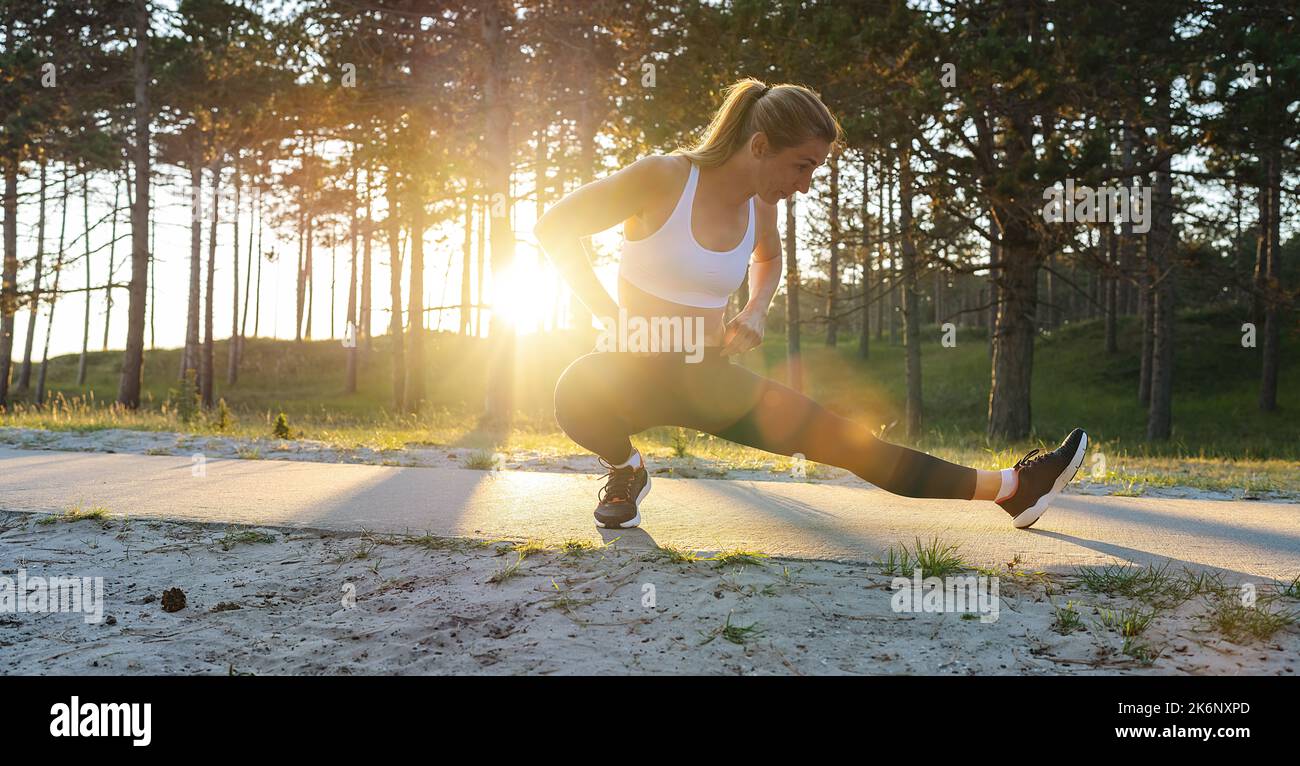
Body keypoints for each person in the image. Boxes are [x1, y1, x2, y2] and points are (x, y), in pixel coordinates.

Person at [535, 78, 1087, 531]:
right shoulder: (664, 177)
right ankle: (625, 468)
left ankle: (1013, 488)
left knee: (851, 444)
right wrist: (609, 315)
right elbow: (554, 227)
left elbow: (768, 262)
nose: (806, 184)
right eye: (802, 166)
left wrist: (755, 309)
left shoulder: (760, 208)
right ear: (758, 147)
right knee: (574, 394)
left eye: (816, 170)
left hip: (708, 378)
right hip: (630, 370)